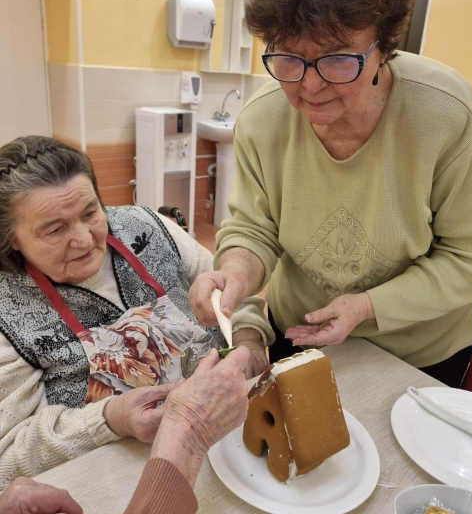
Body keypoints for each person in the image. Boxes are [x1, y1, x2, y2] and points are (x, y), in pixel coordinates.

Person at [190, 0, 472, 388]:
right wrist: (236, 275)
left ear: (384, 45)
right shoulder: (262, 121)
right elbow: (254, 227)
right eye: (289, 57)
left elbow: (470, 257)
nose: (310, 86)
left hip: (417, 353)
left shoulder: (447, 115)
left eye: (339, 59)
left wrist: (367, 306)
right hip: (300, 334)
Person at [0, 135, 274, 488]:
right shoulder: (8, 309)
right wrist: (109, 419)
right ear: (11, 239)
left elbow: (235, 291)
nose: (84, 239)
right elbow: (9, 455)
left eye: (90, 213)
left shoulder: (146, 227)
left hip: (236, 439)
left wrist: (249, 341)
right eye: (55, 229)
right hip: (128, 479)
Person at [0, 346, 250, 514]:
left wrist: (249, 335)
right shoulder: (9, 338)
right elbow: (7, 461)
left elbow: (239, 305)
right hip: (126, 487)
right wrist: (107, 418)